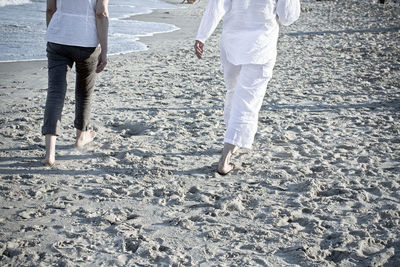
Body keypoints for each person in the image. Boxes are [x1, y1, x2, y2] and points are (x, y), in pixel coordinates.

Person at [194, 0, 300, 174]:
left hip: (232, 43)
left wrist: (202, 36)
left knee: (234, 92)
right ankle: (226, 158)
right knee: (247, 100)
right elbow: (287, 17)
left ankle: (233, 141)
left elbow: (216, 6)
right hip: (261, 46)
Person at [42, 0, 109, 166]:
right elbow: (101, 13)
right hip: (87, 42)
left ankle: (50, 153)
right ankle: (80, 137)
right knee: (84, 91)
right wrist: (105, 51)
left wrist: (55, 33)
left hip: (58, 39)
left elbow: (50, 9)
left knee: (55, 93)